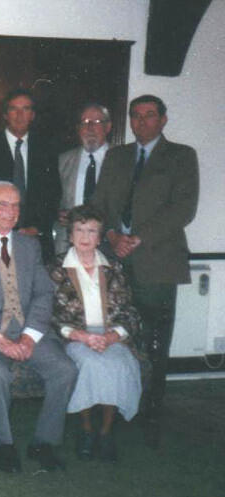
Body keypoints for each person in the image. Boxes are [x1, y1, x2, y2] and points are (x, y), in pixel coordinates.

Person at [92, 94, 199, 447]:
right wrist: (109, 234)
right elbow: (100, 204)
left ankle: (150, 406)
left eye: (149, 116)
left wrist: (136, 239)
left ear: (163, 120)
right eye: (135, 116)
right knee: (116, 331)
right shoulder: (117, 156)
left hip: (157, 260)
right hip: (115, 258)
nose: (141, 122)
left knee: (154, 337)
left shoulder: (181, 156)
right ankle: (116, 401)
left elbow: (183, 209)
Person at [0, 181, 77, 473]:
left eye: (16, 205)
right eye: (3, 205)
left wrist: (29, 336)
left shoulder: (30, 245)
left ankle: (44, 442)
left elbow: (43, 293)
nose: (11, 212)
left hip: (26, 331)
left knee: (65, 369)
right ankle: (4, 444)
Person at [49, 205, 142, 462]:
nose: (85, 236)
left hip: (110, 334)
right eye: (79, 229)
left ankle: (106, 432)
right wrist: (82, 336)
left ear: (100, 237)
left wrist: (112, 336)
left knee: (117, 363)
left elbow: (130, 311)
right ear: (69, 235)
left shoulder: (113, 267)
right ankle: (87, 430)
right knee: (89, 363)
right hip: (76, 336)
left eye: (92, 231)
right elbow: (51, 315)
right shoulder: (56, 269)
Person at [0, 89, 60, 262]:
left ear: (32, 115)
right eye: (14, 109)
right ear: (5, 114)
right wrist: (5, 226)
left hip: (36, 237)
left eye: (25, 109)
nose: (20, 115)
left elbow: (53, 193)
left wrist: (37, 228)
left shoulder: (47, 149)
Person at [55, 103, 112, 254]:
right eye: (85, 123)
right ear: (78, 128)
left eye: (97, 122)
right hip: (69, 246)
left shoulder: (121, 160)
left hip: (110, 245)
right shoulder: (63, 161)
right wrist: (58, 213)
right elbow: (51, 200)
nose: (90, 128)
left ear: (108, 127)